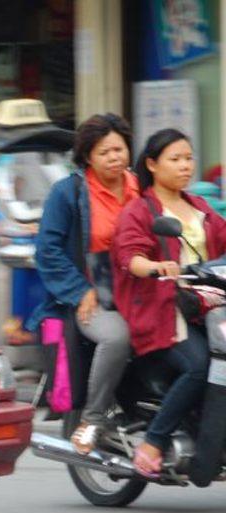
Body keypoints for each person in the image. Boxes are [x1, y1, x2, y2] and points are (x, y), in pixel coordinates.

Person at [112, 129, 226, 477]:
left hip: (208, 305)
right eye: (175, 159)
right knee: (199, 365)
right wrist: (155, 267)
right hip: (162, 306)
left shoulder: (201, 207)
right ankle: (155, 440)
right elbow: (129, 255)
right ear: (152, 164)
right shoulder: (140, 210)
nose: (184, 166)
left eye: (189, 158)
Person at [33, 114, 137, 454]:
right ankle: (92, 419)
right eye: (104, 152)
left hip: (139, 291)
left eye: (119, 149)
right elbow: (47, 250)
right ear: (88, 157)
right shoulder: (68, 193)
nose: (114, 158)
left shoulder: (141, 187)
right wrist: (81, 291)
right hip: (94, 296)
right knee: (116, 337)